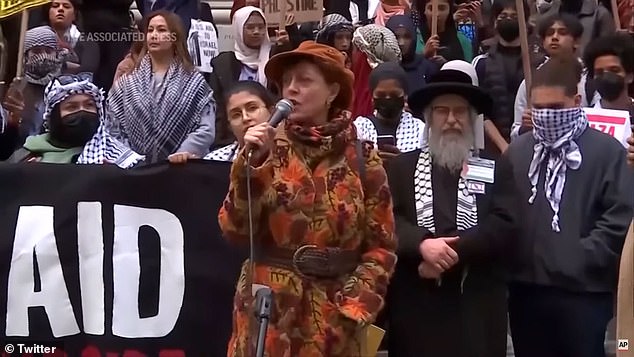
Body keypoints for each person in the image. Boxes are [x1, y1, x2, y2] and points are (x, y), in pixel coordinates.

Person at [218, 41, 397, 356]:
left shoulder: (361, 157)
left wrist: (355, 308)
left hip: (335, 322)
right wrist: (251, 168)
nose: (291, 89)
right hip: (269, 316)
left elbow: (381, 246)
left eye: (304, 80)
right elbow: (234, 230)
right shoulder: (264, 148)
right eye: (286, 81)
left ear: (332, 92)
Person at [385, 60, 519, 357]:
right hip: (418, 301)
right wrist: (422, 245)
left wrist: (449, 253)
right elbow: (388, 221)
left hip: (475, 303)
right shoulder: (400, 167)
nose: (451, 119)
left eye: (460, 111)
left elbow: (505, 223)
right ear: (429, 119)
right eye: (442, 111)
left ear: (472, 118)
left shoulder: (495, 165)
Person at [505, 56, 633, 357]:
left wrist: (579, 254)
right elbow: (505, 212)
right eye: (539, 109)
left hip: (584, 293)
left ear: (576, 101)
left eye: (555, 109)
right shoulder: (519, 152)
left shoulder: (606, 151)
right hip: (527, 291)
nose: (546, 116)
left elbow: (619, 216)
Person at [106, 10, 215, 164]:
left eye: (161, 30)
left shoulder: (194, 81)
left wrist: (184, 152)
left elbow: (205, 127)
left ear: (174, 37)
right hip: (134, 171)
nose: (154, 35)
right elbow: (113, 125)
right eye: (150, 30)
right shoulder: (127, 82)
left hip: (181, 167)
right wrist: (129, 158)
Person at [8, 74, 143, 167]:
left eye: (89, 105)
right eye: (72, 107)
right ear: (54, 116)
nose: (82, 111)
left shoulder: (118, 158)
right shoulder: (27, 154)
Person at [511, 13, 599, 139]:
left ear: (577, 41)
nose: (555, 37)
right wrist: (525, 128)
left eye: (562, 33)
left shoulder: (590, 80)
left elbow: (602, 124)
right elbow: (515, 133)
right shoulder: (531, 80)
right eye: (549, 33)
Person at [472, 0, 538, 157]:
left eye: (515, 16)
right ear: (494, 22)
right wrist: (503, 146)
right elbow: (479, 111)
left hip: (532, 149)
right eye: (503, 16)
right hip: (492, 151)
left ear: (525, 22)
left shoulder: (539, 63)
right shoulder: (481, 63)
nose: (509, 19)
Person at [208, 6, 272, 150]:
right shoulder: (223, 64)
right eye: (250, 27)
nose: (256, 32)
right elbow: (217, 107)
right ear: (238, 29)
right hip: (231, 142)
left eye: (261, 27)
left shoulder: (274, 60)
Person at [170, 81, 275, 163]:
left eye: (252, 108)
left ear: (271, 111)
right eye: (236, 115)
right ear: (229, 126)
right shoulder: (216, 160)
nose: (245, 118)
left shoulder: (289, 151)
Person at [354, 62, 426, 156]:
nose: (388, 99)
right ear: (372, 97)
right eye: (381, 95)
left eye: (394, 94)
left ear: (405, 95)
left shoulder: (420, 130)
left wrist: (404, 162)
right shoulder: (359, 128)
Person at [351, 24, 402, 118]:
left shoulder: (374, 98)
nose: (353, 54)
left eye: (357, 50)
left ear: (366, 56)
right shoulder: (353, 86)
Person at [583, 33, 634, 121]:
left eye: (614, 70)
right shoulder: (583, 120)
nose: (606, 76)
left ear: (629, 76)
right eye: (599, 72)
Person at [42, 0, 100, 75]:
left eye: (66, 6)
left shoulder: (89, 44)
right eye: (55, 6)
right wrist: (71, 66)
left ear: (74, 15)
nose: (60, 9)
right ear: (48, 12)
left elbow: (87, 70)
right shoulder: (35, 38)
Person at [386, 14, 439, 96]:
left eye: (407, 37)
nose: (401, 43)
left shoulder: (428, 68)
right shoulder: (381, 69)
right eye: (396, 37)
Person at [410, 0, 474, 63]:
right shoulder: (414, 39)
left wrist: (447, 65)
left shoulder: (462, 40)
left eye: (442, 8)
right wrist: (424, 55)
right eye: (431, 8)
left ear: (449, 11)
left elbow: (468, 69)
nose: (436, 14)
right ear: (424, 10)